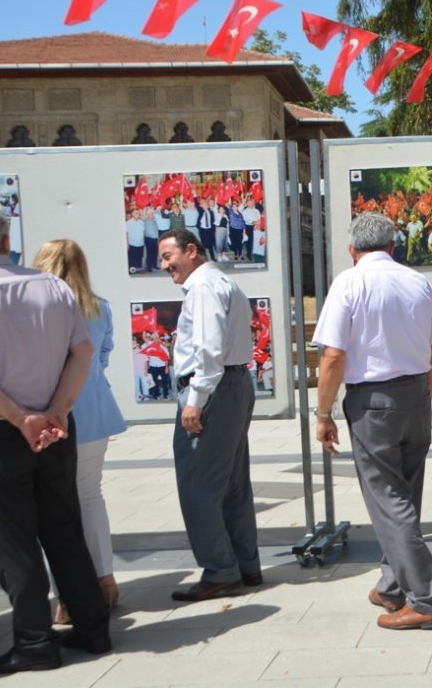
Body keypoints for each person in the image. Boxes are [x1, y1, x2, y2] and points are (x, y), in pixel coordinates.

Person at [0, 202, 112, 673]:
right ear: (5, 239)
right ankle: (93, 626)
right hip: (56, 427)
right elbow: (82, 351)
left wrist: (21, 418)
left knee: (13, 540)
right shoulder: (52, 286)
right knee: (63, 527)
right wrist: (56, 410)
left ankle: (35, 641)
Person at [312, 213, 432, 630]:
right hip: (414, 394)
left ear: (352, 250)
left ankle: (424, 597)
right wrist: (426, 397)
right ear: (392, 246)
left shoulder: (349, 283)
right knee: (405, 495)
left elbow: (332, 355)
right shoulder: (417, 281)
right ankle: (392, 583)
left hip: (373, 401)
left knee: (389, 500)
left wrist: (323, 412)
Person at [158, 227, 262, 602]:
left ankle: (220, 570)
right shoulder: (222, 282)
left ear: (191, 250)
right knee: (233, 483)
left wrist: (195, 400)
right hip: (234, 384)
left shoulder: (203, 287)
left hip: (213, 389)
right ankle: (244, 564)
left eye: (169, 257)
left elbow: (208, 349)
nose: (165, 266)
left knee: (198, 485)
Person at [32, 240, 129, 625]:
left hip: (55, 413)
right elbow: (103, 356)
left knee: (55, 508)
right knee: (90, 497)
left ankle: (67, 595)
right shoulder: (99, 306)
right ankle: (104, 579)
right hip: (95, 410)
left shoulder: (40, 309)